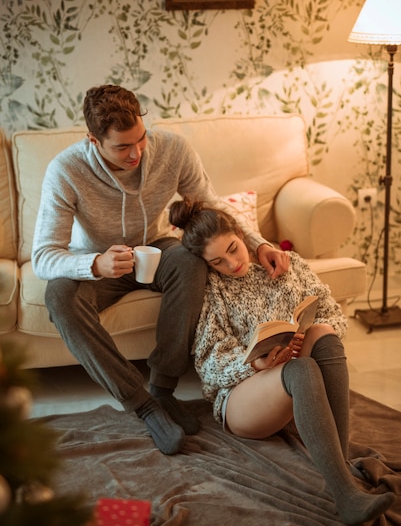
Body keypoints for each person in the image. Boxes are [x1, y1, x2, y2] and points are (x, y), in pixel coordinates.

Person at [31, 84, 289, 456]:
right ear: (93, 140)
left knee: (187, 260)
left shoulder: (173, 149)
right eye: (122, 147)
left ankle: (163, 389)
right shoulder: (66, 171)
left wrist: (258, 243)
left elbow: (211, 205)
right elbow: (44, 255)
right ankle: (144, 405)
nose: (135, 153)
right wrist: (93, 264)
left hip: (151, 247)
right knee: (59, 295)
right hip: (96, 262)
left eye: (140, 139)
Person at [168, 197, 396, 526]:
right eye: (217, 261)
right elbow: (208, 362)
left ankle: (341, 461)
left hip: (286, 374)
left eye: (234, 249)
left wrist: (305, 335)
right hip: (243, 398)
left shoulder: (289, 264)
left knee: (324, 332)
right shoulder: (212, 290)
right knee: (300, 369)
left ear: (241, 234)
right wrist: (255, 365)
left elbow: (333, 313)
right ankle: (345, 495)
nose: (232, 264)